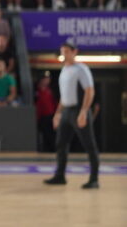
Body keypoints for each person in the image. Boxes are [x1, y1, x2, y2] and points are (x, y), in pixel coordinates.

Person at [45, 42, 100, 189]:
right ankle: (60, 176)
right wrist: (57, 113)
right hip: (66, 112)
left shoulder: (81, 69)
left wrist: (83, 112)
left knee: (89, 145)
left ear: (75, 52)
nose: (64, 54)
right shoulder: (64, 70)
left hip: (78, 110)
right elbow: (64, 96)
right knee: (61, 144)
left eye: (67, 51)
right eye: (62, 51)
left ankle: (94, 179)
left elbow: (89, 91)